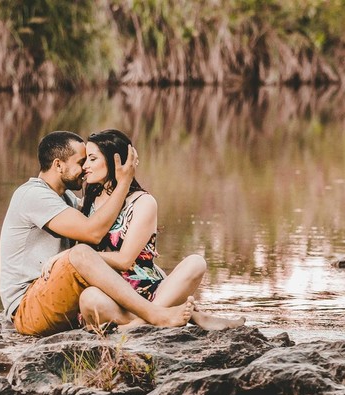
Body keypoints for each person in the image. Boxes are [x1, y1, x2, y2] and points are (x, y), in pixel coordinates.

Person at [0, 131, 194, 337]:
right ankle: (155, 315)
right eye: (81, 161)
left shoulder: (65, 199)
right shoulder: (33, 195)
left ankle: (146, 319)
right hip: (28, 307)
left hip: (53, 296)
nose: (84, 169)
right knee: (80, 253)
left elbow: (114, 245)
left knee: (92, 272)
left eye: (89, 160)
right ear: (58, 165)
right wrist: (125, 182)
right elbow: (93, 233)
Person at [77, 129, 244, 331]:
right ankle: (183, 316)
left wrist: (78, 257)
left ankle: (140, 323)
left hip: (149, 295)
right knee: (88, 298)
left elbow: (125, 260)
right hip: (111, 297)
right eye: (85, 159)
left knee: (196, 262)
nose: (85, 166)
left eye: (92, 159)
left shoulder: (143, 202)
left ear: (117, 161)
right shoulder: (87, 203)